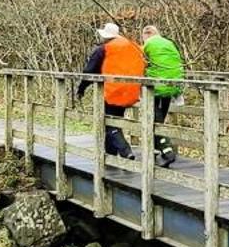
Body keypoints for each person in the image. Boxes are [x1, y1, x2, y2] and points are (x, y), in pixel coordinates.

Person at [76, 22, 144, 159]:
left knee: (109, 122)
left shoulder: (104, 49)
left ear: (106, 36)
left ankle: (126, 151)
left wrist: (81, 88)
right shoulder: (134, 46)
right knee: (116, 119)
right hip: (132, 90)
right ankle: (110, 155)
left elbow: (90, 71)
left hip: (112, 90)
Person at [141, 24, 184, 166]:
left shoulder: (147, 45)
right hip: (173, 85)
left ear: (146, 36)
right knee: (159, 119)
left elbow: (140, 63)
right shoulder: (169, 43)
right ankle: (160, 148)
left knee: (153, 118)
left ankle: (167, 151)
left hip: (156, 86)